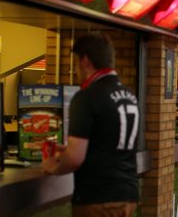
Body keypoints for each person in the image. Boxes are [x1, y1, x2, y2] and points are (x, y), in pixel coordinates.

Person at [42, 32, 139, 217]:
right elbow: (108, 143)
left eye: (75, 63)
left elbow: (75, 158)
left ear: (85, 61)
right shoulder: (129, 95)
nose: (75, 70)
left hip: (98, 198)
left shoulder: (87, 97)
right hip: (127, 195)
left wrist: (51, 166)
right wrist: (70, 148)